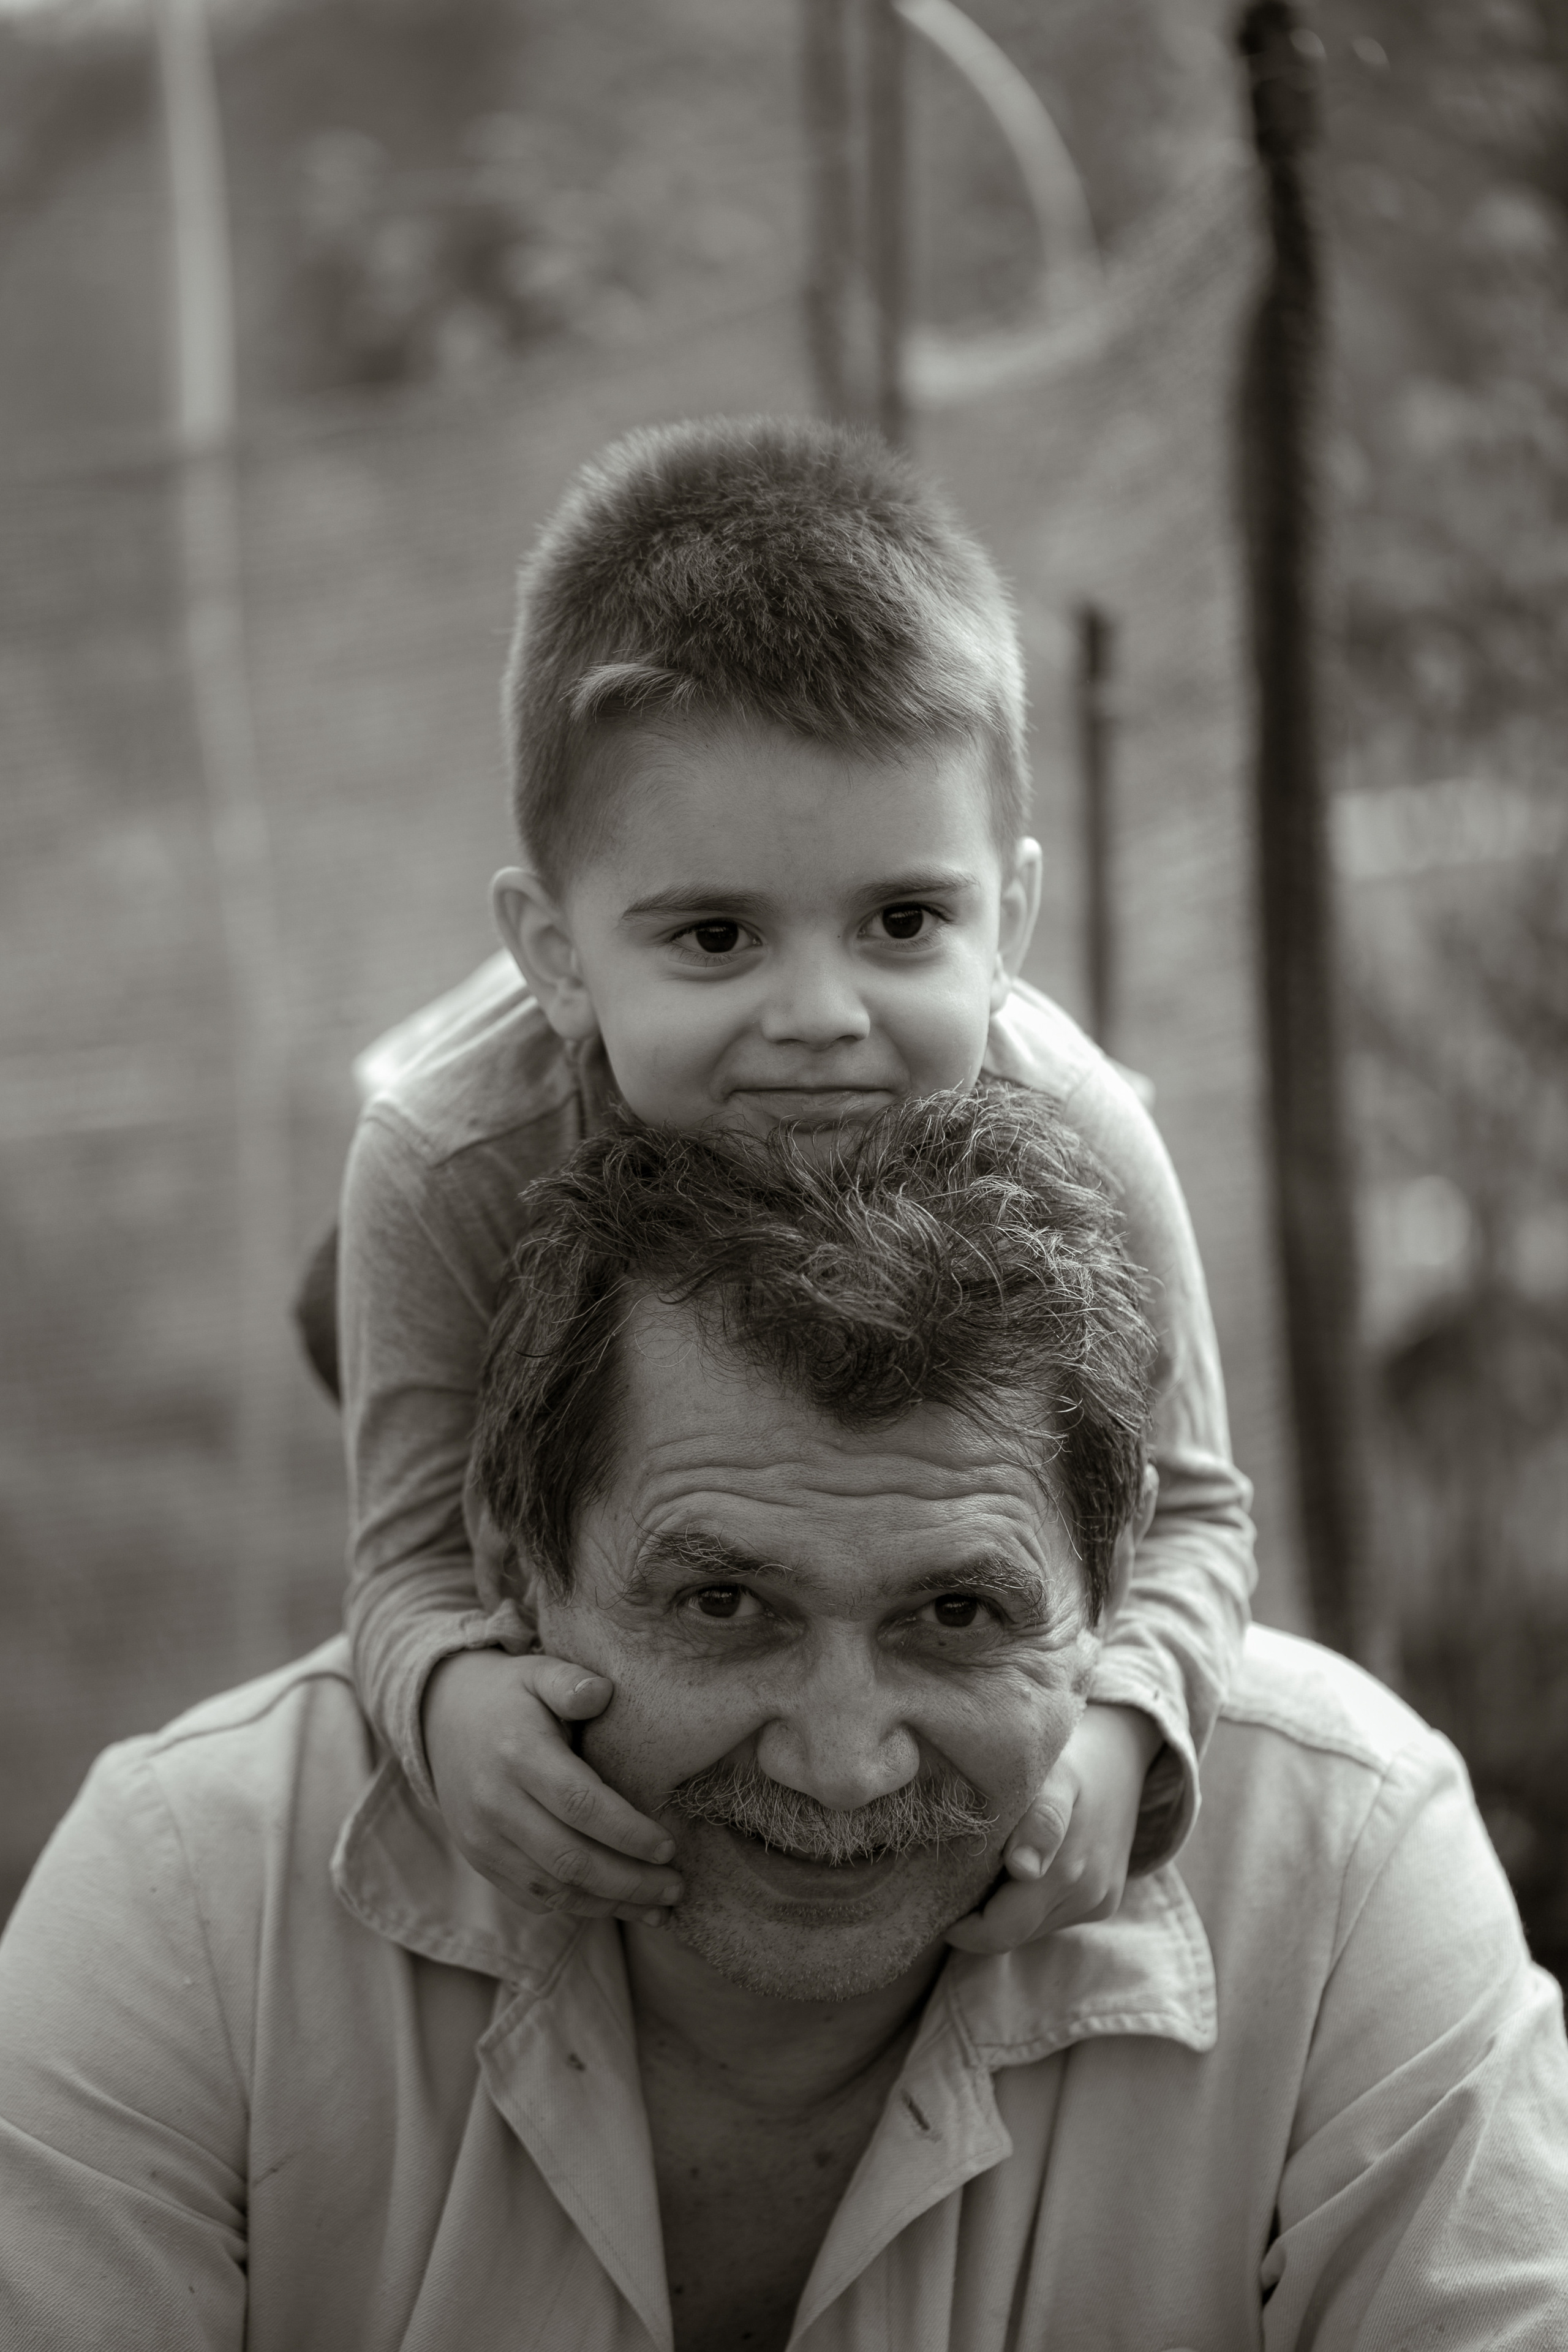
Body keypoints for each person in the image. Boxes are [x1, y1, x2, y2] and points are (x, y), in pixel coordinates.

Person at [2, 1089, 1565, 2352]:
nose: (841, 1757)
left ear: (1109, 1581)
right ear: (512, 1559)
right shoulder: (199, 1893)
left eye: (952, 1618)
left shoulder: (1340, 1868)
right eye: (721, 1607)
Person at [336, 413, 1255, 1956]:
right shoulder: (447, 1162)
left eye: (902, 921)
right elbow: (405, 1548)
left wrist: (1123, 1729)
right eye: (715, 937)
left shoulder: (1077, 1133)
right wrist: (444, 1693)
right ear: (556, 956)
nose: (820, 1015)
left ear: (1009, 918)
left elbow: (1198, 1505)